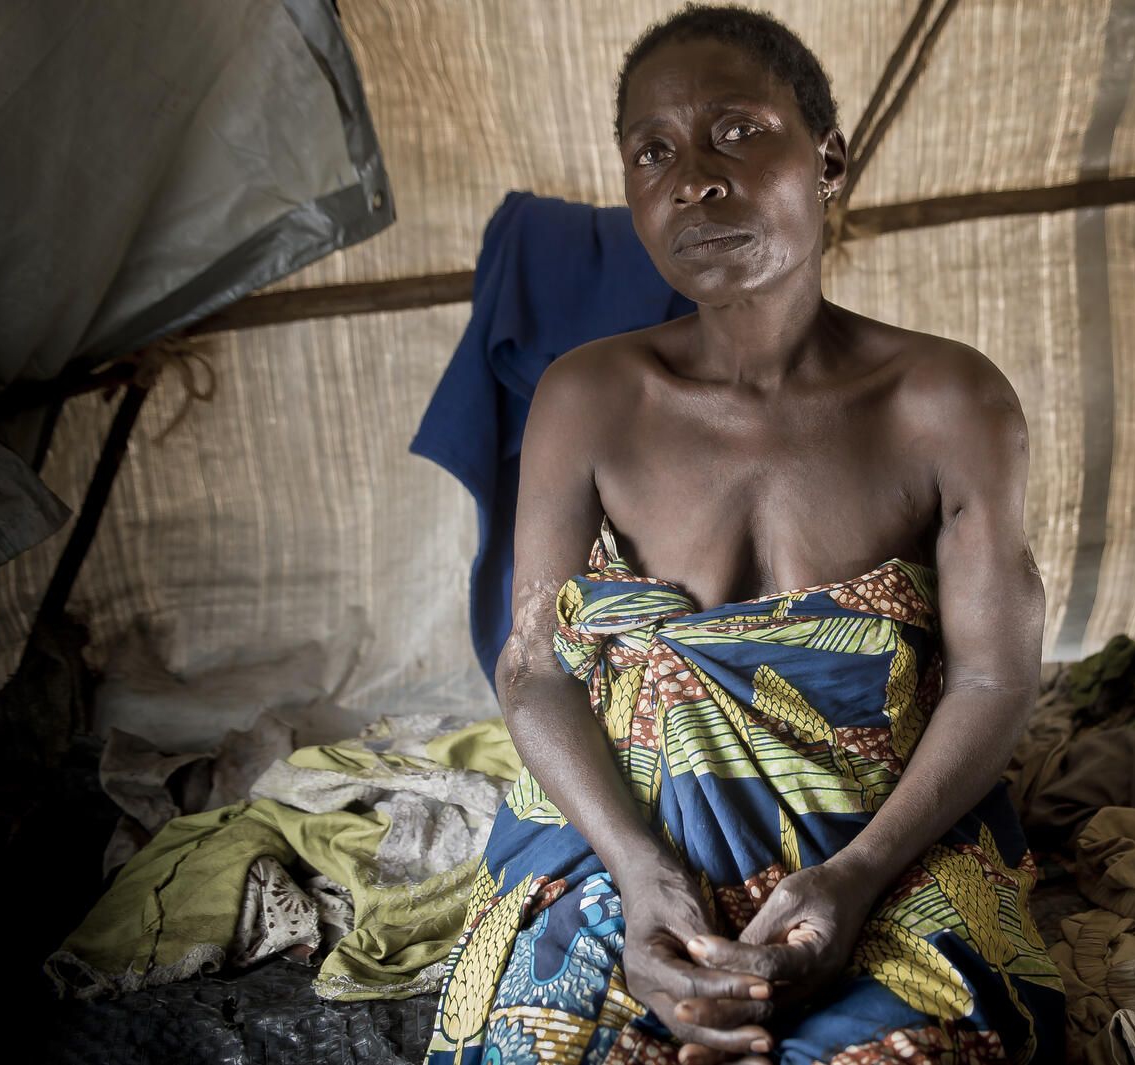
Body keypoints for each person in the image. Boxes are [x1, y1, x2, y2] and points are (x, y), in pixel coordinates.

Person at [425, 6, 1063, 1064]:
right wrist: (640, 876)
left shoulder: (947, 401)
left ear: (828, 159)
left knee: (912, 1051)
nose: (694, 179)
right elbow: (534, 668)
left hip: (881, 846)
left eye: (736, 131)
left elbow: (996, 677)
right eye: (653, 152)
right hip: (625, 842)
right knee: (547, 1037)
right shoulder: (589, 398)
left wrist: (856, 878)